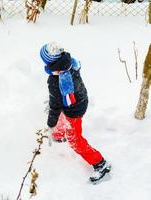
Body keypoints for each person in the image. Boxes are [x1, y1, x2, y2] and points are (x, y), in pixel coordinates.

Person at [40, 42, 111, 184]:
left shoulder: (55, 80)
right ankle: (59, 135)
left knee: (75, 141)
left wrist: (50, 124)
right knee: (60, 115)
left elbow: (55, 106)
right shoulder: (69, 63)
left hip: (74, 110)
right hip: (81, 99)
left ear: (50, 64)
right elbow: (59, 102)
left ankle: (100, 164)